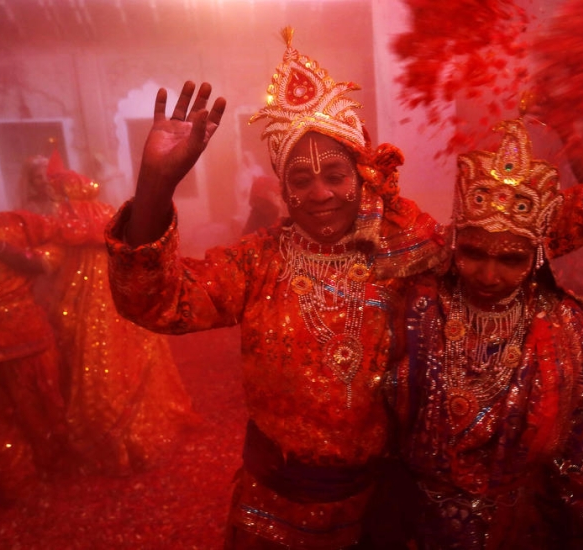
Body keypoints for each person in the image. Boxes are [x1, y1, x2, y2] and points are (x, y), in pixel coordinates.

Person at [105, 27, 444, 549]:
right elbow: (157, 302)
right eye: (301, 181)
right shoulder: (257, 260)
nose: (320, 193)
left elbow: (500, 259)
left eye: (334, 174)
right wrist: (156, 184)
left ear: (361, 174)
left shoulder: (404, 251)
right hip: (275, 505)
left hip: (381, 500)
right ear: (283, 189)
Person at [388, 117, 583, 549]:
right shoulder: (420, 306)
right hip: (416, 523)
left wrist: (582, 526)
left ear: (536, 257)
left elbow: (581, 442)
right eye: (473, 253)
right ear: (453, 244)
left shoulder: (561, 325)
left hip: (519, 527)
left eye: (511, 260)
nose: (489, 274)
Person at [24, 155, 196, 476]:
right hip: (117, 291)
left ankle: (108, 435)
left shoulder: (63, 216)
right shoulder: (105, 212)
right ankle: (135, 428)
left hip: (80, 299)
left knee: (91, 359)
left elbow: (49, 259)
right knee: (128, 353)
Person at [0, 210, 67, 506]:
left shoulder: (16, 222)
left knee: (42, 403)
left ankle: (52, 464)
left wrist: (9, 252)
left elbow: (56, 247)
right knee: (2, 418)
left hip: (27, 332)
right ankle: (16, 481)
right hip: (18, 336)